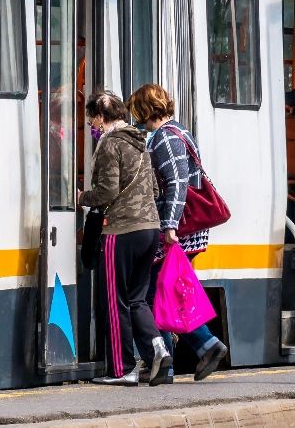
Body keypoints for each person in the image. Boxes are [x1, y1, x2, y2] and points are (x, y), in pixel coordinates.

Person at [126, 84, 229, 384]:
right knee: (165, 293)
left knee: (152, 295)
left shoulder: (166, 137)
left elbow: (176, 183)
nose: (137, 119)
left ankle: (188, 352)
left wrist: (169, 225)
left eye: (137, 112)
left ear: (145, 110)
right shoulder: (177, 132)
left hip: (177, 230)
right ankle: (188, 353)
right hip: (181, 229)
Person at [78, 91, 171, 386]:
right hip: (150, 229)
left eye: (92, 118)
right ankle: (158, 349)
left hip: (121, 231)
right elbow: (154, 190)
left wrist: (81, 197)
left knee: (115, 301)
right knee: (137, 299)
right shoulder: (140, 142)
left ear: (101, 117)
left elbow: (107, 191)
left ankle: (122, 369)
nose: (91, 124)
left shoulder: (110, 144)